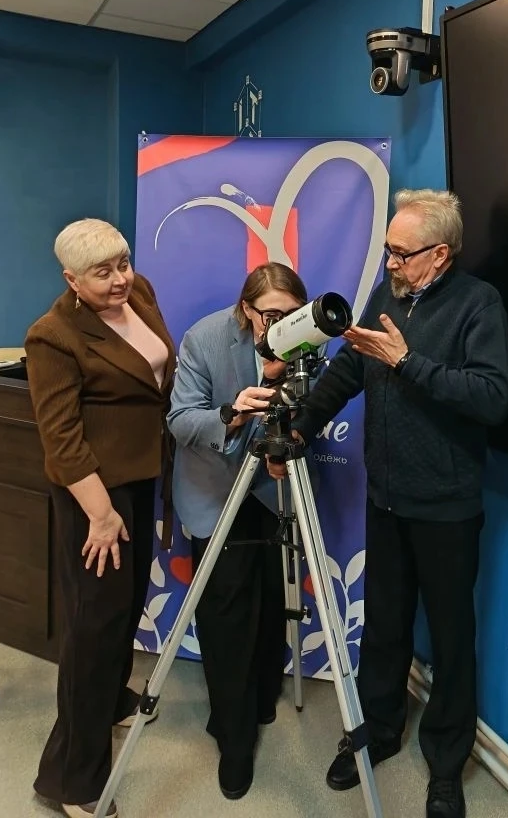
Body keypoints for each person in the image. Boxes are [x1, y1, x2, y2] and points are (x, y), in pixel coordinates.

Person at [272, 189, 508, 818]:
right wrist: (302, 425)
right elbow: (349, 370)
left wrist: (407, 362)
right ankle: (376, 732)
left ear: (440, 254)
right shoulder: (388, 294)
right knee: (383, 625)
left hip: (446, 506)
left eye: (402, 254)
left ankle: (446, 764)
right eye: (387, 251)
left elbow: (492, 397)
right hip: (386, 500)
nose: (390, 264)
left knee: (452, 637)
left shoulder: (478, 304)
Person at [25, 218, 177, 818]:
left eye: (123, 263)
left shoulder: (139, 293)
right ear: (71, 280)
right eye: (102, 273)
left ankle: (112, 700)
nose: (120, 280)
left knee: (127, 604)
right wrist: (101, 514)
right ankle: (71, 778)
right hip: (95, 497)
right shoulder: (53, 336)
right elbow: (61, 441)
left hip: (139, 477)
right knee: (94, 629)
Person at [167, 262, 310, 801]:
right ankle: (232, 735)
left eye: (292, 314)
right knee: (226, 614)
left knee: (272, 601)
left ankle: (262, 696)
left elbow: (311, 407)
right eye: (271, 314)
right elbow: (181, 420)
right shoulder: (204, 338)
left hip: (270, 491)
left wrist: (290, 432)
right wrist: (233, 414)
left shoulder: (303, 341)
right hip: (214, 490)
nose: (282, 325)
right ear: (245, 309)